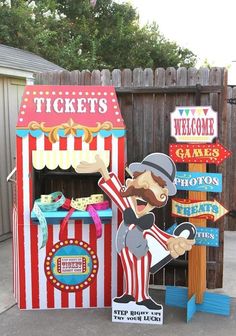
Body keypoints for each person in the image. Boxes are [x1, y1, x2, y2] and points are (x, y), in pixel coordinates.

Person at [76, 153, 194, 310]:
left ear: (162, 196)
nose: (144, 188)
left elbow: (160, 236)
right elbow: (115, 190)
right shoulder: (127, 204)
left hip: (141, 252)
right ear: (131, 182)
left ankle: (142, 297)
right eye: (142, 181)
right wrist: (103, 170)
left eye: (152, 185)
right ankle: (129, 294)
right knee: (129, 271)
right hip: (124, 248)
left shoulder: (147, 221)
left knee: (139, 271)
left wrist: (172, 240)